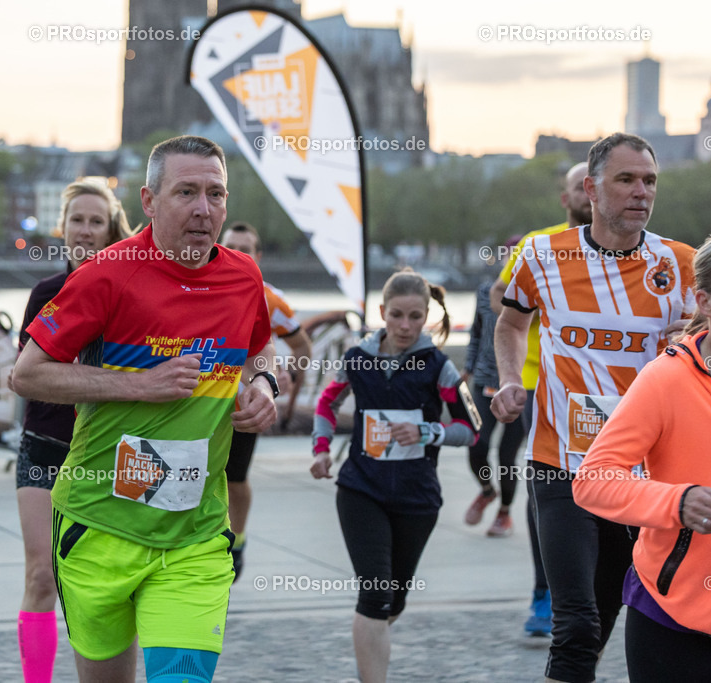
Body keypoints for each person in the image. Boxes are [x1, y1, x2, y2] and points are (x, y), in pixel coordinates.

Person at [11, 135, 277, 683]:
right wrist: (139, 383)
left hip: (196, 533)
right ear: (150, 201)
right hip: (98, 524)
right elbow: (27, 374)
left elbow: (258, 347)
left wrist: (265, 384)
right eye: (186, 192)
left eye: (216, 194)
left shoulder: (242, 276)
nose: (204, 209)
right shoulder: (107, 274)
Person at [491, 133, 696, 683]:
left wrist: (697, 336)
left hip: (644, 477)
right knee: (575, 625)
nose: (641, 192)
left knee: (606, 621)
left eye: (649, 181)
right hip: (562, 467)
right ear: (591, 188)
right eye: (626, 179)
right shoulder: (541, 254)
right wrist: (511, 380)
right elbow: (511, 322)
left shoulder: (681, 265)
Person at [573, 221, 711, 681]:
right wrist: (675, 501)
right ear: (704, 302)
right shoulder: (667, 380)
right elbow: (593, 480)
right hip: (671, 624)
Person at [310, 269, 481, 683]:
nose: (406, 326)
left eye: (416, 317)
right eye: (398, 315)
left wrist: (428, 432)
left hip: (416, 498)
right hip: (360, 489)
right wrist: (320, 450)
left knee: (393, 601)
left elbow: (470, 430)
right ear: (382, 312)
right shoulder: (357, 359)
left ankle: (371, 642)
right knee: (375, 594)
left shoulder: (438, 367)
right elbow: (326, 404)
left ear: (428, 318)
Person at [13, 178, 132, 683]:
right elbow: (26, 375)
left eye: (95, 221)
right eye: (77, 220)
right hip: (46, 445)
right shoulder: (46, 294)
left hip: (106, 455)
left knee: (99, 586)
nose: (85, 230)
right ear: (63, 228)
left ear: (110, 231)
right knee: (42, 574)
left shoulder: (129, 292)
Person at [486, 161, 592, 635]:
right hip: (539, 383)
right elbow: (500, 298)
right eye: (579, 188)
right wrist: (539, 313)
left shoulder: (647, 254)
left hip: (614, 390)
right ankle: (545, 591)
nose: (589, 196)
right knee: (547, 482)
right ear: (566, 198)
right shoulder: (540, 246)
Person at [219, 221, 313, 580]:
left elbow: (302, 346)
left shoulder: (270, 299)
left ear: (257, 257)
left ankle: (237, 542)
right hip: (202, 400)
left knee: (235, 478)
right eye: (232, 246)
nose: (238, 254)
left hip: (245, 402)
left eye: (246, 249)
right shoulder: (202, 283)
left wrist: (286, 379)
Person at [463, 239, 526, 538]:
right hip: (484, 380)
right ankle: (487, 490)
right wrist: (467, 367)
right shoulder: (485, 290)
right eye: (509, 254)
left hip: (519, 384)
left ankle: (504, 513)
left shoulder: (534, 293)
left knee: (506, 456)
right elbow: (476, 332)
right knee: (477, 444)